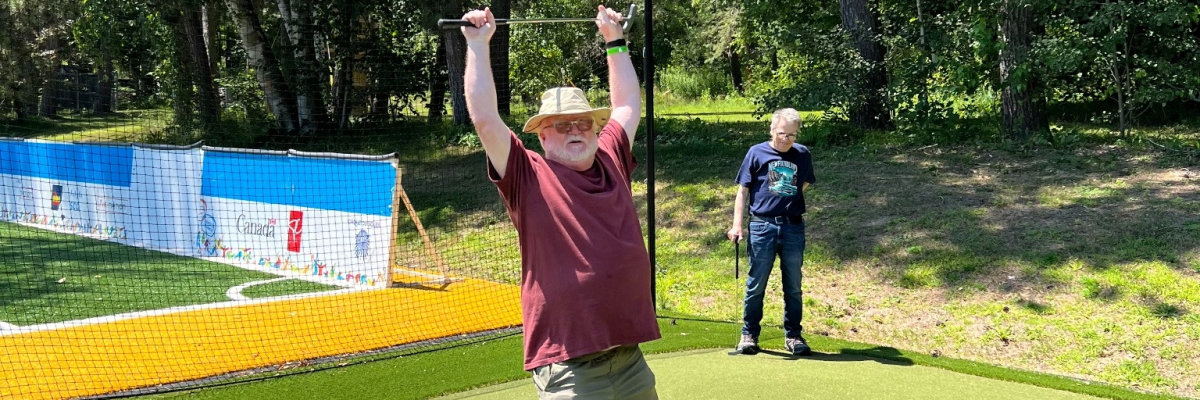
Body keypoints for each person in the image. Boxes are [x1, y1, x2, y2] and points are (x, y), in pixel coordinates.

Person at [460, 5, 660, 399]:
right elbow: (485, 119)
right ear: (542, 136)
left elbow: (626, 107)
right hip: (569, 367)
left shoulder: (610, 156)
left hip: (630, 359)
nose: (575, 129)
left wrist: (615, 42)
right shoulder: (526, 174)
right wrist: (478, 45)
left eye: (583, 121)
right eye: (561, 124)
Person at [726, 108, 816, 356]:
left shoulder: (802, 154)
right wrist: (737, 225)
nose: (786, 140)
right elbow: (743, 191)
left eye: (792, 135)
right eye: (782, 134)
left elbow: (804, 183)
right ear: (772, 130)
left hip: (793, 227)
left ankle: (794, 337)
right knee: (756, 284)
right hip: (762, 226)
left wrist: (787, 199)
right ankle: (749, 334)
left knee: (794, 285)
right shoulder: (757, 152)